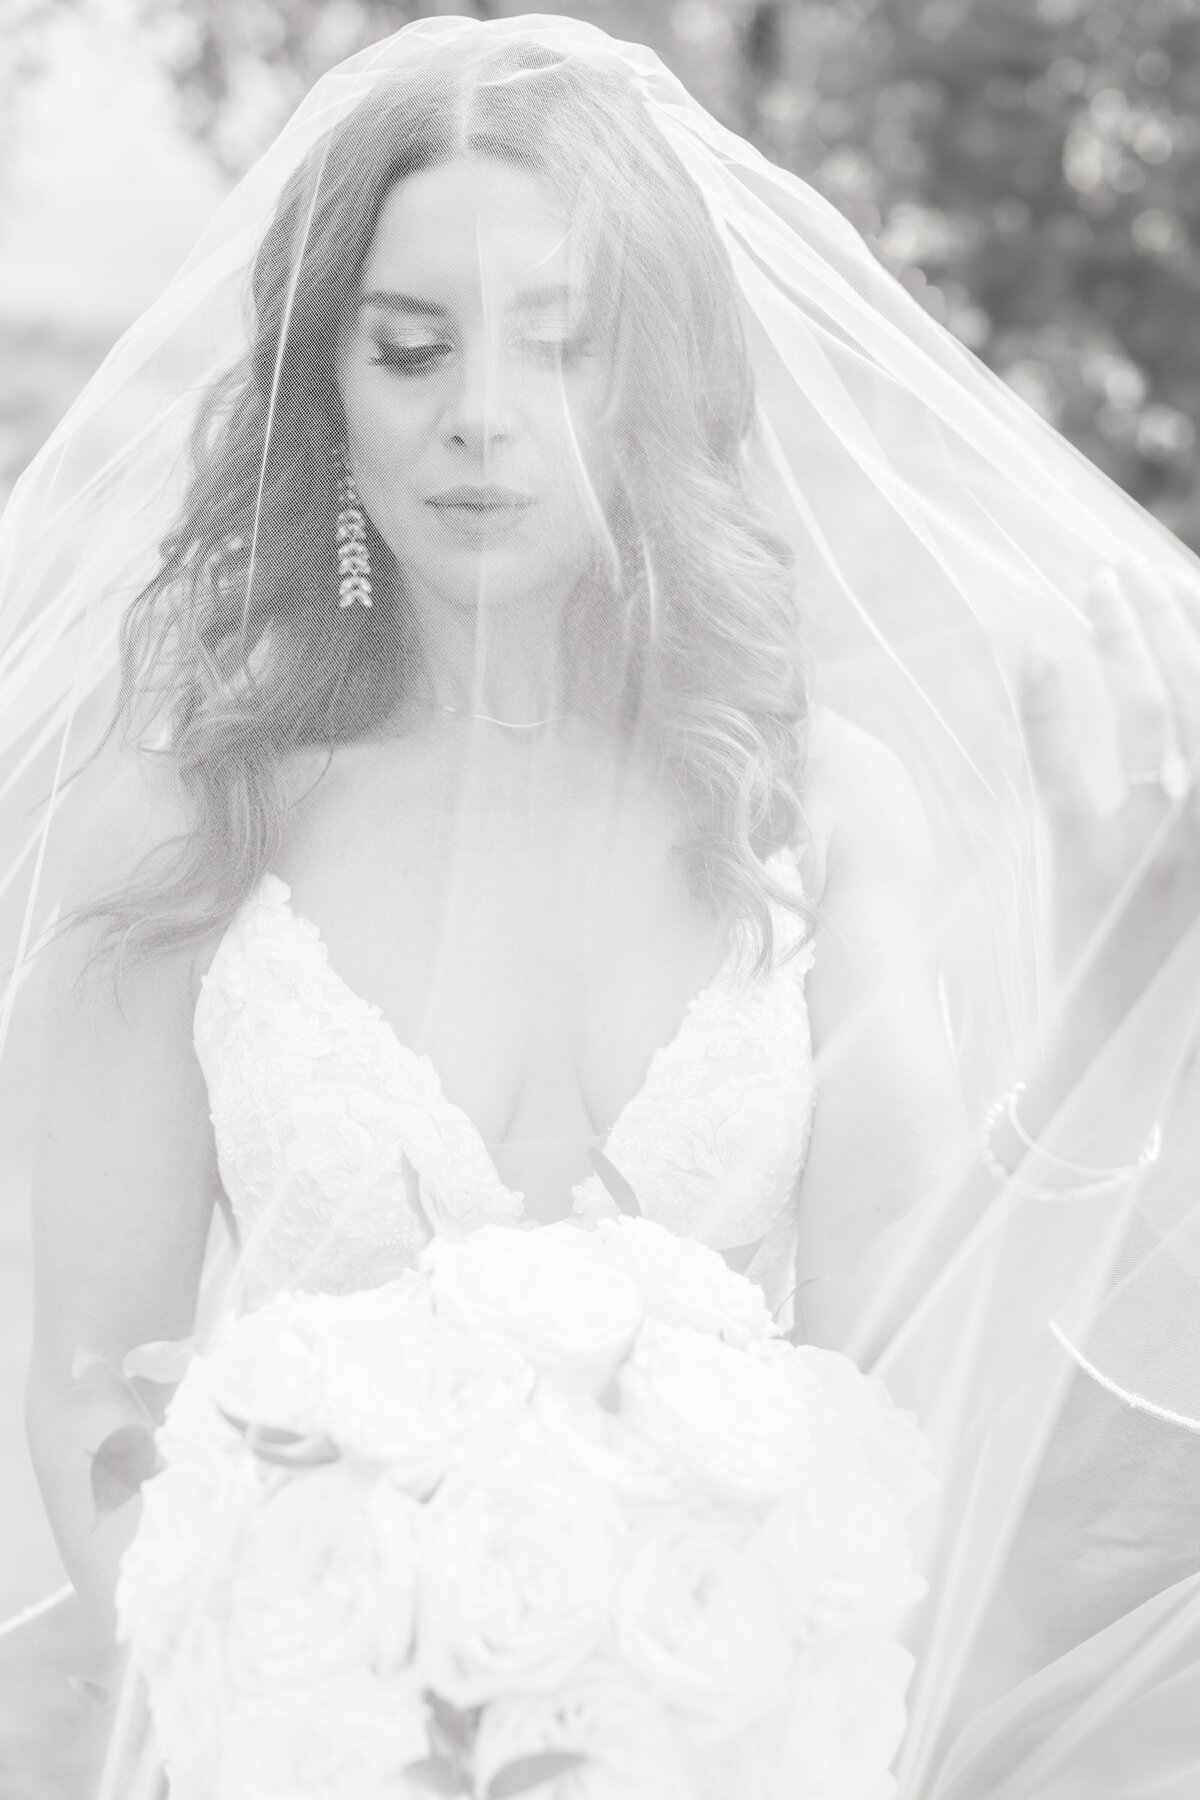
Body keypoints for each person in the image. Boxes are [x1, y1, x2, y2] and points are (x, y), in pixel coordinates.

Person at [4, 16, 1199, 1798]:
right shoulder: (178, 822)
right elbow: (100, 1394)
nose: (481, 414)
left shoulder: (814, 803)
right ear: (326, 386)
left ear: (655, 382)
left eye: (559, 346)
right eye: (411, 350)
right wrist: (316, 1719)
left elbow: (900, 1384)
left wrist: (1112, 987)